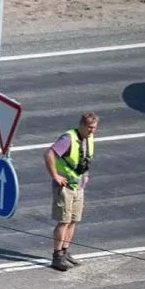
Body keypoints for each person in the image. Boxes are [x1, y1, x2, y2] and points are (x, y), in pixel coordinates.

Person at [43, 111, 97, 272]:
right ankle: (57, 255)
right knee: (64, 221)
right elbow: (49, 154)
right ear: (81, 125)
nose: (92, 131)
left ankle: (65, 252)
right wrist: (55, 176)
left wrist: (85, 176)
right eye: (89, 128)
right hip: (65, 186)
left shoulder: (88, 139)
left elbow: (84, 160)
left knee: (73, 220)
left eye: (94, 128)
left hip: (78, 186)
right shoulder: (68, 138)